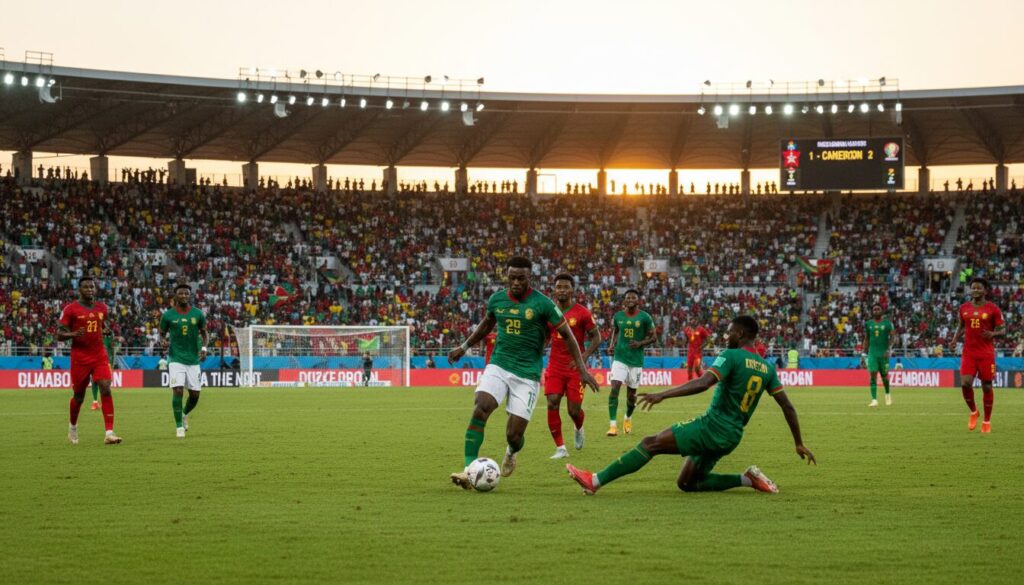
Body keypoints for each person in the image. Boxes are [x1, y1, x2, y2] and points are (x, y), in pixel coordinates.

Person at [567, 316, 815, 495]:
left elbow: (704, 382)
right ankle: (748, 479)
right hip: (732, 436)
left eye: (729, 332)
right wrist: (798, 442)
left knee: (650, 443)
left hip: (712, 427)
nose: (727, 337)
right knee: (687, 483)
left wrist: (663, 395)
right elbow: (788, 406)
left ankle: (595, 481)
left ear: (740, 334)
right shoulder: (767, 368)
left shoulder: (731, 355)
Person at [447, 257, 599, 490]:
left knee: (514, 435)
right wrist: (464, 346)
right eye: (512, 278)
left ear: (530, 278)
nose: (516, 282)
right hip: (499, 365)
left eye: (521, 278)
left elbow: (568, 336)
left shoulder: (544, 304)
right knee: (481, 406)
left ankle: (511, 451)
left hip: (527, 375)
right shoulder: (497, 300)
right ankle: (469, 470)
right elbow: (487, 324)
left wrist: (582, 369)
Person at [56, 276, 122, 445]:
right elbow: (59, 334)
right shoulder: (71, 309)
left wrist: (105, 329)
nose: (89, 289)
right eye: (86, 287)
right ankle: (72, 427)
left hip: (99, 355)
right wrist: (73, 334)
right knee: (78, 397)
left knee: (105, 387)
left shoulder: (102, 308)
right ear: (79, 289)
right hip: (80, 357)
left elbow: (101, 324)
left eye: (92, 287)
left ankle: (109, 433)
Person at [544, 273, 602, 459]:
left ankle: (579, 427)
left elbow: (596, 337)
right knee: (552, 401)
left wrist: (583, 357)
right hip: (554, 365)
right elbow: (545, 336)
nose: (561, 290)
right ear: (554, 290)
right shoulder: (549, 312)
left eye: (565, 287)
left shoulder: (582, 313)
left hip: (576, 367)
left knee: (573, 411)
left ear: (572, 290)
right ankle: (560, 448)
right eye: (558, 287)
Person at [950, 277, 1005, 433]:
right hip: (969, 353)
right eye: (973, 287)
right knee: (965, 383)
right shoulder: (964, 308)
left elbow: (1003, 330)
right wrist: (954, 340)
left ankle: (986, 421)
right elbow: (962, 326)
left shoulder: (993, 309)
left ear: (985, 291)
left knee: (986, 386)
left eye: (978, 288)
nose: (975, 290)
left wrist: (993, 334)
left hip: (986, 354)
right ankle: (974, 412)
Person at [159, 283, 208, 438]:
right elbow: (161, 333)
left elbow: (204, 333)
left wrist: (204, 348)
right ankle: (179, 427)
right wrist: (162, 341)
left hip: (193, 359)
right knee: (178, 390)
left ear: (190, 295)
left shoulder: (198, 314)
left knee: (195, 395)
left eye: (186, 293)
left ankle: (184, 413)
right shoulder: (168, 315)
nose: (184, 296)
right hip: (175, 358)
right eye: (181, 293)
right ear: (175, 296)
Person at [606, 289, 657, 436]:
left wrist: (640, 343)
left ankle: (627, 418)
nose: (630, 300)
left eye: (633, 298)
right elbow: (615, 331)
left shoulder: (645, 317)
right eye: (628, 298)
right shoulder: (618, 316)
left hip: (636, 360)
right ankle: (612, 425)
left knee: (631, 396)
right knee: (615, 387)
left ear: (638, 301)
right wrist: (612, 345)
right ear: (624, 300)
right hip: (620, 358)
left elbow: (654, 337)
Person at [865, 304, 895, 407]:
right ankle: (874, 400)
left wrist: (888, 349)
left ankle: (887, 395)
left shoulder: (888, 323)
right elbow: (866, 338)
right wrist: (864, 353)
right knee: (873, 374)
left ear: (882, 311)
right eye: (874, 309)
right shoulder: (868, 324)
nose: (876, 311)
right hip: (872, 353)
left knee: (884, 376)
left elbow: (893, 337)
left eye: (878, 309)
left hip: (883, 354)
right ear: (872, 312)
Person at [91, 331, 120, 411]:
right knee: (96, 381)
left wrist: (115, 340)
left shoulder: (108, 338)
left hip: (104, 363)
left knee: (102, 383)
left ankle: (101, 402)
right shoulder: (98, 338)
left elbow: (113, 345)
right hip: (100, 362)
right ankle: (95, 402)